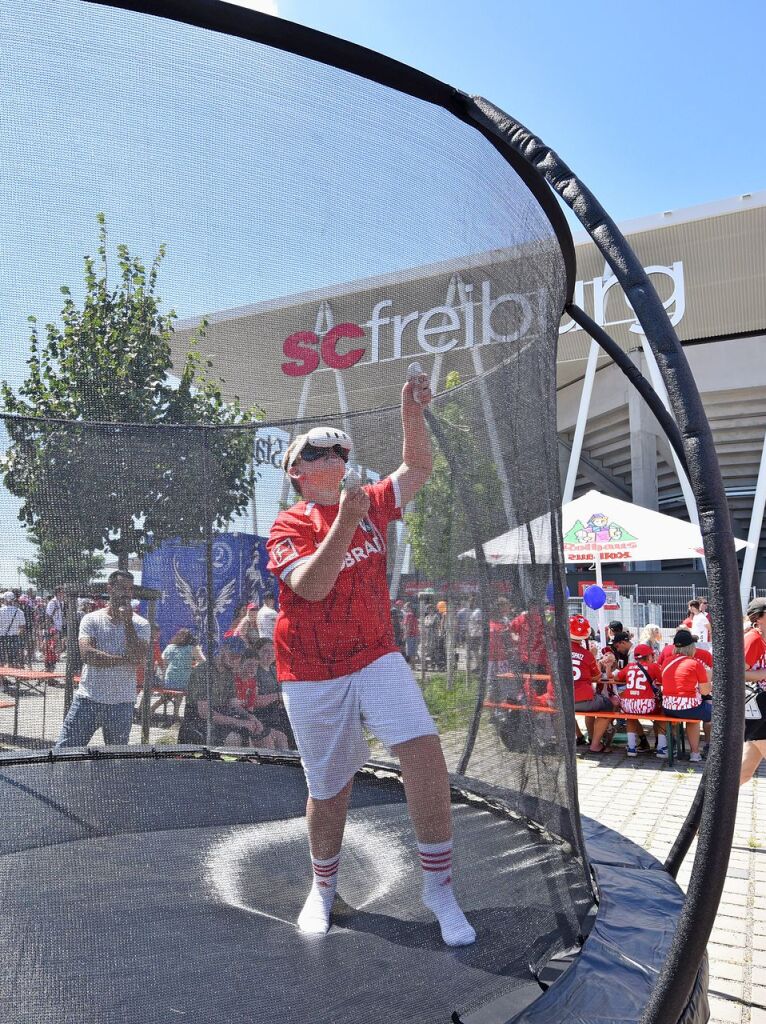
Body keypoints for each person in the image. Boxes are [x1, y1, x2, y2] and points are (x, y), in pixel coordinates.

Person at [266, 373, 475, 947]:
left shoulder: (369, 502)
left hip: (375, 655)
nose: (333, 453)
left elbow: (418, 471)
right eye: (317, 449)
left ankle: (439, 887)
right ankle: (324, 887)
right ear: (298, 472)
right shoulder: (287, 525)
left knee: (424, 750)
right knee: (330, 787)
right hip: (310, 671)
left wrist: (413, 415)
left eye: (340, 447)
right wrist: (346, 523)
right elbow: (310, 587)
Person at [55, 571, 150, 749]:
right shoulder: (91, 619)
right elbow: (88, 656)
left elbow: (137, 657)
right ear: (110, 588)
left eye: (130, 589)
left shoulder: (141, 624)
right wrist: (124, 659)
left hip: (122, 703)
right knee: (65, 750)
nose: (126, 593)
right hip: (89, 699)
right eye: (122, 588)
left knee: (115, 759)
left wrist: (128, 623)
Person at [179, 638, 280, 748]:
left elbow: (234, 704)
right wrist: (239, 722)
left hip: (221, 718)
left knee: (262, 735)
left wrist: (252, 719)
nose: (235, 660)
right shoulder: (203, 671)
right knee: (236, 738)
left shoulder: (229, 673)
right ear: (223, 650)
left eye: (239, 657)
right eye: (232, 655)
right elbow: (204, 713)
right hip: (198, 722)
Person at [660, 628, 712, 762]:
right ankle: (700, 751)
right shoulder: (695, 664)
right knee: (717, 712)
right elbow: (705, 692)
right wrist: (707, 677)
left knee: (692, 714)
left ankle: (676, 748)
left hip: (668, 708)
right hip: (689, 709)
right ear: (691, 646)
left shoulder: (666, 661)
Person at [570, 615, 614, 754]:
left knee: (565, 710)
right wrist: (593, 656)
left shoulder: (556, 651)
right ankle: (595, 744)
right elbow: (596, 676)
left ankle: (580, 736)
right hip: (581, 698)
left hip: (557, 698)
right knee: (607, 705)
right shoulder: (586, 654)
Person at [613, 643, 666, 758]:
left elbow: (617, 678)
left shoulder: (629, 666)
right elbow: (663, 680)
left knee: (631, 716)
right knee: (663, 712)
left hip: (628, 704)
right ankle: (662, 748)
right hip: (646, 705)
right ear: (648, 656)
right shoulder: (654, 666)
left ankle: (631, 747)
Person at [740, 598, 766, 786]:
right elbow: (737, 673)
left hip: (759, 710)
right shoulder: (753, 639)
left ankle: (713, 805)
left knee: (744, 773)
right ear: (759, 618)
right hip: (758, 708)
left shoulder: (761, 638)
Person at [153, 628, 205, 722]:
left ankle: (152, 709)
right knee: (181, 693)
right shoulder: (192, 648)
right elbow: (203, 661)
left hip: (168, 681)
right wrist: (193, 667)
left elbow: (161, 662)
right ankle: (176, 716)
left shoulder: (170, 647)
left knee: (167, 696)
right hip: (183, 682)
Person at [0, 591, 26, 668]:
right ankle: (14, 675)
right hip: (14, 637)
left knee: (1, 659)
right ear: (13, 600)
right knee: (13, 658)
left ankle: (2, 677)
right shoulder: (19, 611)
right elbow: (22, 627)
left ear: (4, 600)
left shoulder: (1, 611)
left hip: (2, 637)